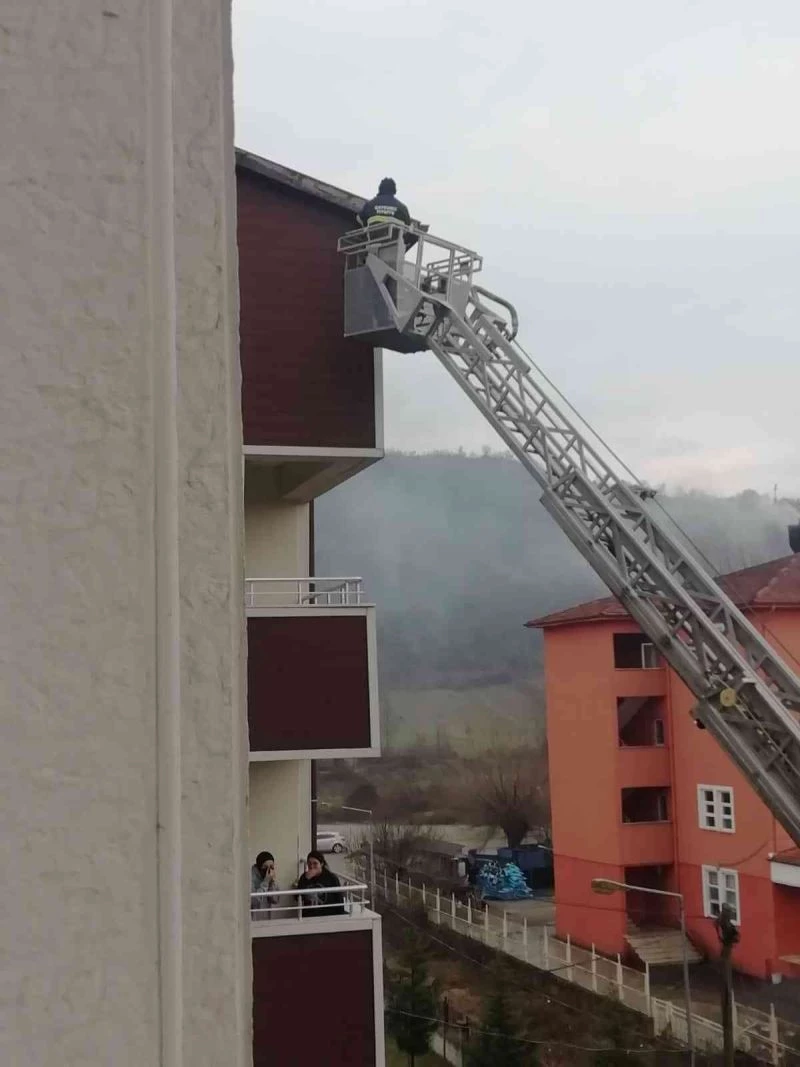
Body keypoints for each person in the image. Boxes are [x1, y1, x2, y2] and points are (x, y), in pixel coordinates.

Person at [295, 850, 345, 916]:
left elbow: (339, 899)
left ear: (321, 864)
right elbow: (297, 897)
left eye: (315, 863)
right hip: (309, 917)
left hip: (328, 916)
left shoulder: (331, 878)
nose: (312, 866)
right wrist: (306, 880)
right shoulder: (304, 877)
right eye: (309, 863)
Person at [250, 851, 279, 917]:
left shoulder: (269, 876)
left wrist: (272, 883)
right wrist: (265, 882)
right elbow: (254, 901)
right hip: (253, 918)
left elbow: (275, 900)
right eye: (265, 866)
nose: (268, 870)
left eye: (271, 866)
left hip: (266, 918)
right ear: (259, 866)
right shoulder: (250, 877)